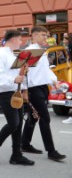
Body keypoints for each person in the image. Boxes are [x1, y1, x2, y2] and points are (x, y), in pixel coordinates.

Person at [0, 30, 34, 166]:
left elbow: (16, 74)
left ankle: (16, 155)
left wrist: (23, 72)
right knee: (14, 123)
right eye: (20, 40)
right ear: (13, 39)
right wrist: (15, 78)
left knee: (18, 125)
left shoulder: (13, 55)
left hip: (14, 91)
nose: (21, 43)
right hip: (4, 92)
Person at [21, 26, 66, 161]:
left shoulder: (43, 51)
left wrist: (54, 81)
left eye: (46, 35)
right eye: (42, 35)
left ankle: (25, 143)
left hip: (42, 88)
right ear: (34, 36)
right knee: (45, 118)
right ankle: (51, 151)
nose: (46, 38)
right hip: (34, 89)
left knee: (33, 117)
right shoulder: (30, 52)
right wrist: (24, 89)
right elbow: (22, 71)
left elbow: (45, 70)